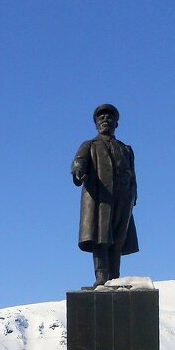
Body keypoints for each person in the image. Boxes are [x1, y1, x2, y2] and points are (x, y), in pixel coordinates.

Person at [72, 104, 139, 287]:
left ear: (116, 123)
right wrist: (78, 173)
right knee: (101, 237)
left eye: (110, 118)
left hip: (123, 199)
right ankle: (101, 275)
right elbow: (79, 163)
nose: (105, 121)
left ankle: (115, 277)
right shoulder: (90, 145)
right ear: (96, 124)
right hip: (101, 198)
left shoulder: (126, 149)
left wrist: (134, 195)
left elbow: (131, 173)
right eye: (101, 118)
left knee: (118, 239)